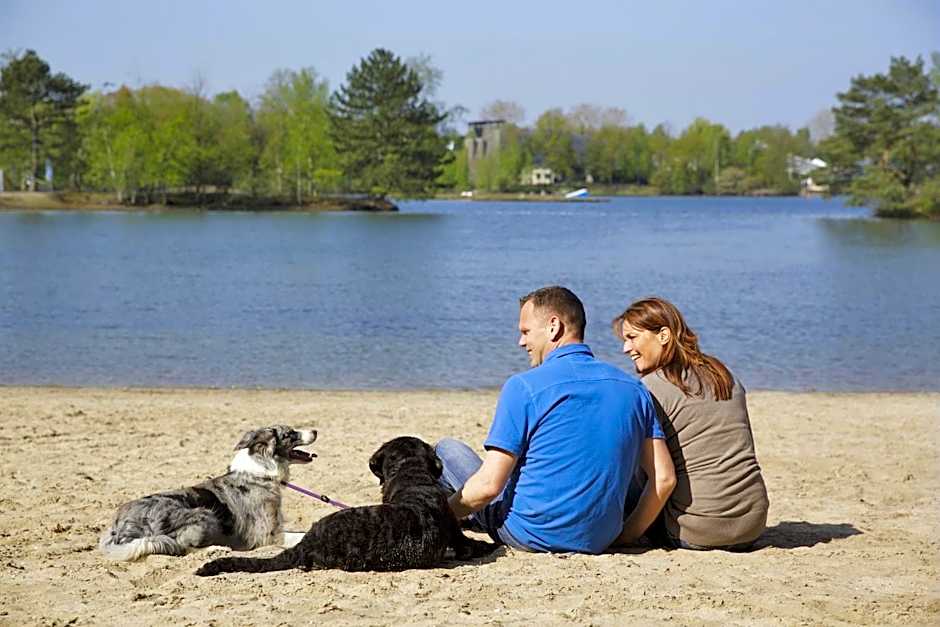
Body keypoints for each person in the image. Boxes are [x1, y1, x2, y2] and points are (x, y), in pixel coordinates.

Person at [435, 286, 675, 554]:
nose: (521, 342)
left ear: (553, 327)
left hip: (528, 532)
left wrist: (436, 518)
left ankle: (441, 515)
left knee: (447, 450)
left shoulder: (523, 386)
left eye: (525, 332)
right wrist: (626, 535)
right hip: (600, 537)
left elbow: (488, 487)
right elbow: (663, 478)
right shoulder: (634, 389)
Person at [612, 296, 769, 550]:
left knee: (624, 471)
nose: (626, 349)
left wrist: (625, 537)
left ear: (663, 335)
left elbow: (663, 480)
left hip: (698, 529)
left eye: (632, 337)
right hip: (753, 522)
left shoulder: (651, 389)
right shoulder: (725, 375)